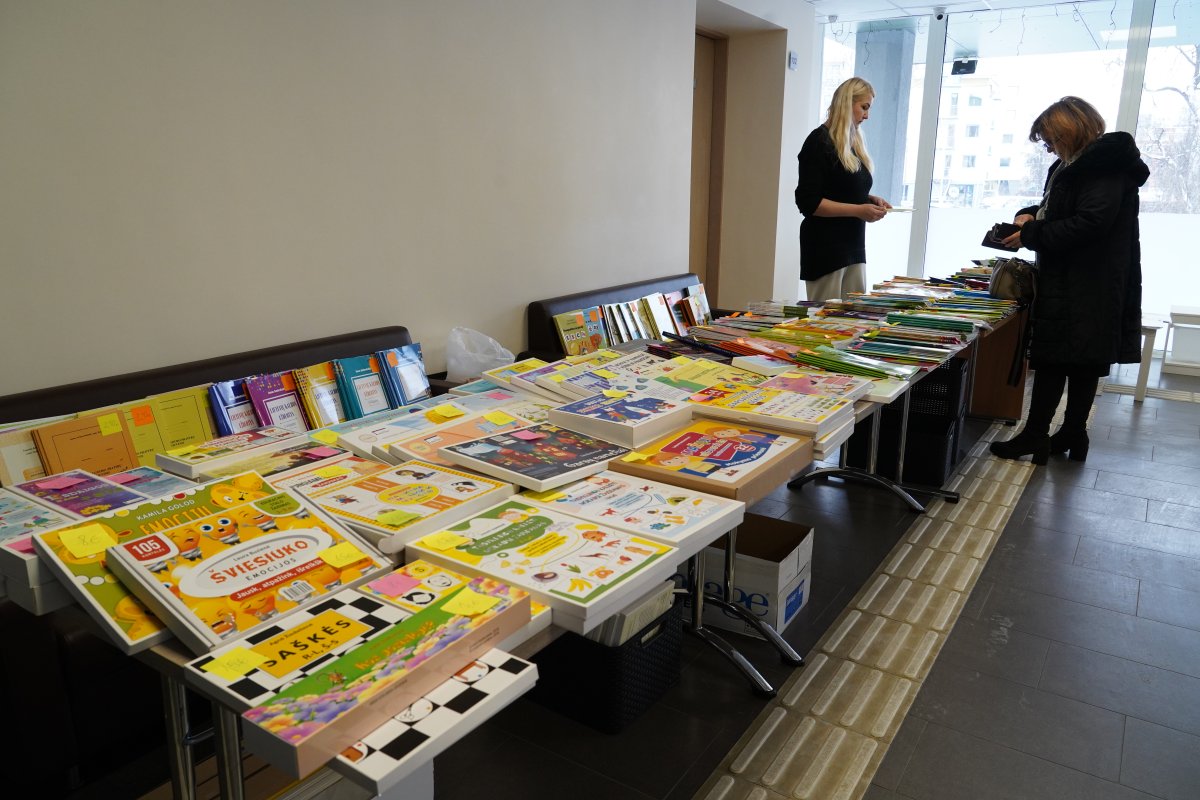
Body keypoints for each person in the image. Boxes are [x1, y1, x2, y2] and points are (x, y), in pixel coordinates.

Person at [990, 96, 1149, 464]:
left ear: (1070, 131)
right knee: (1077, 360)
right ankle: (1071, 434)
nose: (1048, 147)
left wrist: (1031, 235)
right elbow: (1060, 209)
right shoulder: (1075, 163)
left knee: (1060, 359)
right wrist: (1028, 216)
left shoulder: (1102, 167)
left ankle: (1040, 434)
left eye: (1050, 139)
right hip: (1079, 278)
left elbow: (1090, 223)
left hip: (1087, 281)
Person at [795, 77, 892, 302]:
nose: (867, 115)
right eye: (864, 107)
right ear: (847, 103)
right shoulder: (819, 141)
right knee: (824, 318)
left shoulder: (852, 143)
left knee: (855, 315)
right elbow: (808, 202)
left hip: (853, 246)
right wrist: (859, 210)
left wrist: (868, 199)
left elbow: (840, 189)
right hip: (826, 249)